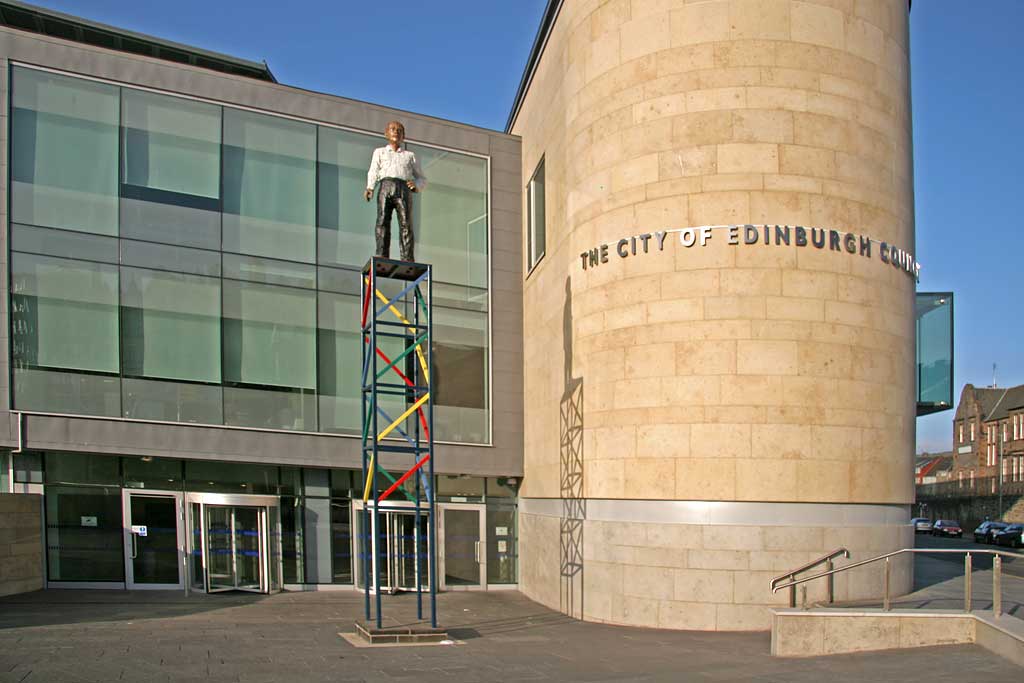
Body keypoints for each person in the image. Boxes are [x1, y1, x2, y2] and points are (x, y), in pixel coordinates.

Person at [364, 120, 427, 261]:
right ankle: (382, 253)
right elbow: (373, 170)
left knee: (406, 223)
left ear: (403, 136)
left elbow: (422, 178)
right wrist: (370, 187)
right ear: (386, 133)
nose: (396, 132)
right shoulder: (379, 152)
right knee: (382, 220)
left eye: (399, 130)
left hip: (403, 187)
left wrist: (416, 185)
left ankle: (407, 256)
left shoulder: (409, 155)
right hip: (385, 186)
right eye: (393, 129)